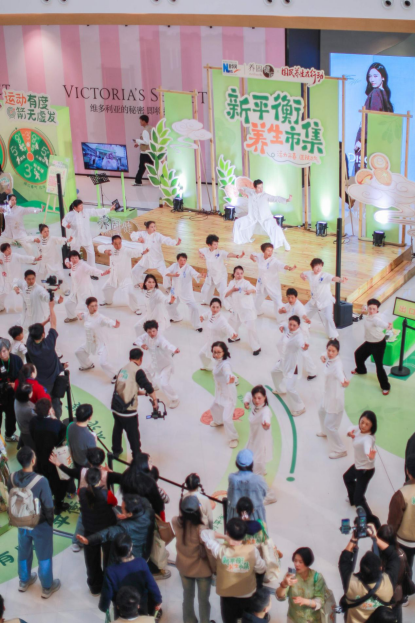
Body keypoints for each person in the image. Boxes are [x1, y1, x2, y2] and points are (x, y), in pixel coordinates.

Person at [7, 446, 61, 598]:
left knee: (23, 550)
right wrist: (49, 523)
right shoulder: (41, 481)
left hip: (21, 521)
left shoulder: (12, 477)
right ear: (32, 461)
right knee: (44, 555)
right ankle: (47, 586)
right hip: (40, 524)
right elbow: (48, 506)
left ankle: (24, 581)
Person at [49, 446, 122, 553]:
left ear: (88, 461)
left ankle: (76, 543)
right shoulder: (108, 474)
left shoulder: (81, 471)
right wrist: (110, 471)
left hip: (86, 505)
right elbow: (123, 479)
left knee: (81, 520)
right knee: (118, 518)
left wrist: (58, 463)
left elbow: (69, 472)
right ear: (102, 460)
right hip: (104, 507)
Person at [201, 517, 267, 623]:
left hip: (227, 594)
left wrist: (224, 537)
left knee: (229, 618)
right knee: (245, 618)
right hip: (247, 593)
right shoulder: (252, 550)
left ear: (227, 532)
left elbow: (204, 534)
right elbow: (261, 568)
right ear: (244, 534)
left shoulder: (220, 550)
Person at [339, 524, 400, 623]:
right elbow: (394, 556)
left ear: (361, 569)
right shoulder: (388, 583)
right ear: (380, 568)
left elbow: (344, 561)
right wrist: (375, 537)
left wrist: (353, 539)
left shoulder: (351, 584)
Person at [76, 493, 155, 568]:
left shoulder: (125, 527)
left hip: (128, 559)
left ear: (130, 513)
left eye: (123, 509)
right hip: (144, 554)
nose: (121, 509)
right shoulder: (149, 511)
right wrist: (127, 516)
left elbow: (107, 533)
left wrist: (88, 540)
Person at [172, 495, 214, 623]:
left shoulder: (176, 522)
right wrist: (215, 568)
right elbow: (210, 552)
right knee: (203, 601)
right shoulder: (202, 529)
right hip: (202, 571)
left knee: (187, 597)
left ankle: (189, 620)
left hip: (184, 567)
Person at [99, 533, 162, 616]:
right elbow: (151, 584)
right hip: (140, 603)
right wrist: (158, 600)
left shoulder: (111, 571)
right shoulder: (141, 563)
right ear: (131, 548)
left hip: (121, 607)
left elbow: (107, 593)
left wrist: (104, 607)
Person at [111, 348, 158, 459]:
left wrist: (145, 394)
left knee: (117, 429)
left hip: (116, 407)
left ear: (129, 358)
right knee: (133, 434)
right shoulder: (137, 371)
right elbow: (149, 387)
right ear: (141, 359)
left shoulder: (123, 369)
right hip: (128, 411)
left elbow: (130, 388)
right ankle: (136, 454)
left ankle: (116, 451)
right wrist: (155, 401)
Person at [78, 467, 118, 595]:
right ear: (100, 479)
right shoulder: (106, 494)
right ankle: (108, 584)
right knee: (109, 557)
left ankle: (95, 586)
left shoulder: (81, 492)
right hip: (107, 530)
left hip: (89, 530)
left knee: (91, 559)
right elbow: (114, 503)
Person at [26, 299, 65, 418]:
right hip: (54, 378)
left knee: (45, 402)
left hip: (41, 382)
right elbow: (54, 325)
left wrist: (45, 321)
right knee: (55, 401)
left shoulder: (29, 345)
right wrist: (51, 308)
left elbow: (34, 331)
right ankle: (56, 419)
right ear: (43, 334)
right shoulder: (49, 343)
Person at [29, 398, 68, 514]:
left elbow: (32, 435)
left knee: (43, 478)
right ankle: (59, 504)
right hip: (53, 456)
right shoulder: (56, 424)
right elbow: (62, 437)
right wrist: (55, 418)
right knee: (57, 481)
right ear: (50, 409)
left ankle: (44, 500)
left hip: (39, 455)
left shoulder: (33, 421)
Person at [354, 62, 393, 173]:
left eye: (375, 76)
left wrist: (361, 140)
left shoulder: (375, 93)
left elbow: (373, 120)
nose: (372, 79)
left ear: (383, 77)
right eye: (370, 76)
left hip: (368, 142)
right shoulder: (384, 95)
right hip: (378, 142)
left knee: (363, 173)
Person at [234, 180, 292, 251]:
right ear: (255, 188)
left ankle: (285, 243)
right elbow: (242, 188)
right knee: (237, 222)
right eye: (259, 188)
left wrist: (287, 200)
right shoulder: (251, 192)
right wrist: (241, 191)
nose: (261, 189)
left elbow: (276, 198)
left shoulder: (265, 196)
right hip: (252, 218)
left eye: (262, 187)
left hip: (266, 219)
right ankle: (240, 240)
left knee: (276, 228)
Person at [343, 410, 379, 528]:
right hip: (358, 466)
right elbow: (351, 427)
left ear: (372, 427)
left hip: (365, 471)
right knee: (347, 477)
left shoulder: (367, 439)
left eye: (367, 424)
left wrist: (370, 456)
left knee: (359, 499)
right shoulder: (359, 429)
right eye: (362, 421)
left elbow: (367, 448)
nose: (363, 425)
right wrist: (349, 433)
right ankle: (353, 499)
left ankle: (373, 521)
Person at [134, 319, 180, 409]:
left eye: (153, 331)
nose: (152, 333)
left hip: (166, 365)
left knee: (164, 384)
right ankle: (153, 385)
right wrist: (142, 344)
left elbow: (167, 344)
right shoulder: (146, 336)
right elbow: (138, 339)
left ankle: (175, 399)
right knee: (145, 371)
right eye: (149, 332)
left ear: (157, 330)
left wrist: (174, 349)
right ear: (146, 332)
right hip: (154, 363)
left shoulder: (160, 339)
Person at [317, 339, 350, 459]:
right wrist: (322, 356)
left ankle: (341, 449)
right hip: (327, 395)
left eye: (333, 351)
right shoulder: (329, 357)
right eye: (329, 350)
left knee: (330, 425)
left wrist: (344, 382)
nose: (330, 353)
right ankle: (325, 432)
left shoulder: (337, 365)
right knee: (321, 412)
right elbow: (324, 354)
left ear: (338, 352)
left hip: (334, 399)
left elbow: (341, 376)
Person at [388, 454, 415, 598]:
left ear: (407, 471)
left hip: (405, 542)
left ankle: (404, 594)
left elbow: (393, 523)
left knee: (404, 567)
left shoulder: (401, 495)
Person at [276, 547, 327, 623]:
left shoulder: (317, 577)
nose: (296, 564)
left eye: (300, 562)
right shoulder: (291, 576)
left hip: (312, 620)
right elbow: (280, 597)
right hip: (294, 619)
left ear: (307, 562)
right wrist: (284, 584)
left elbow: (320, 601)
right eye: (295, 561)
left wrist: (306, 601)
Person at [352, 298, 392, 396]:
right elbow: (365, 309)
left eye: (374, 309)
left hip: (378, 344)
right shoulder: (369, 314)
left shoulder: (376, 319)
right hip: (369, 342)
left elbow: (381, 323)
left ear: (377, 309)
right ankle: (361, 370)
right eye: (370, 308)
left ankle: (385, 387)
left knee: (379, 366)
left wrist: (388, 326)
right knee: (358, 354)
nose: (371, 311)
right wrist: (363, 310)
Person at [300, 258, 347, 340]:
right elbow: (302, 274)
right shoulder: (309, 274)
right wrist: (302, 276)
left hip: (326, 301)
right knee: (303, 312)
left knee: (328, 317)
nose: (319, 268)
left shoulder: (325, 275)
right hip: (314, 301)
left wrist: (341, 280)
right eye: (316, 266)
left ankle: (333, 335)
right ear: (312, 267)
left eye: (320, 266)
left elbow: (333, 278)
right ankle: (306, 324)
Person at [75, 296, 120, 380]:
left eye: (96, 305)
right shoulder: (86, 315)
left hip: (101, 343)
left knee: (103, 363)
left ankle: (116, 374)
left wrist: (114, 325)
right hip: (90, 343)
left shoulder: (100, 317)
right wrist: (80, 316)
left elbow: (107, 321)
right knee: (78, 352)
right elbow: (80, 313)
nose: (94, 308)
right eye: (92, 306)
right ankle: (87, 365)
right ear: (88, 307)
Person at [98, 234, 145, 314]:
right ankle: (108, 301)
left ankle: (136, 308)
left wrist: (142, 252)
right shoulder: (110, 248)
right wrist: (105, 251)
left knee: (130, 293)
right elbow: (100, 247)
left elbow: (136, 253)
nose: (118, 245)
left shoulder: (126, 250)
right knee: (105, 289)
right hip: (114, 277)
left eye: (119, 243)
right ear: (112, 243)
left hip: (125, 278)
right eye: (116, 244)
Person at [272, 315, 308, 417]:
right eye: (290, 324)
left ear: (298, 326)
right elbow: (283, 324)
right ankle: (280, 389)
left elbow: (301, 344)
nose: (291, 327)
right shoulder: (288, 328)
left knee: (290, 388)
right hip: (283, 360)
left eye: (294, 325)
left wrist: (304, 347)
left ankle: (300, 407)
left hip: (293, 365)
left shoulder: (299, 337)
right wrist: (281, 327)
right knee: (274, 372)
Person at [62, 199, 115, 268]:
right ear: (75, 207)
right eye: (80, 205)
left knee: (91, 254)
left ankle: (92, 269)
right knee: (74, 255)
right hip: (76, 238)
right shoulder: (70, 215)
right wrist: (66, 225)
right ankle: (74, 269)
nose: (82, 207)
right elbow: (63, 221)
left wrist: (109, 209)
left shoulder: (86, 212)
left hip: (86, 237)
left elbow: (96, 212)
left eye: (82, 205)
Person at [250, 243, 296, 318]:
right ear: (263, 251)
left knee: (277, 300)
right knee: (258, 298)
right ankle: (257, 311)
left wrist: (290, 268)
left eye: (271, 250)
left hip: (272, 284)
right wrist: (252, 257)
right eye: (268, 250)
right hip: (262, 283)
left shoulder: (274, 261)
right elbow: (253, 254)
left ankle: (283, 317)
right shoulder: (260, 256)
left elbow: (282, 265)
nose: (270, 252)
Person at [278, 287, 316, 379]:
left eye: (292, 298)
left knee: (303, 353)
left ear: (296, 297)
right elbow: (282, 312)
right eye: (289, 297)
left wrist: (306, 318)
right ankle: (288, 364)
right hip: (291, 331)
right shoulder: (288, 305)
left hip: (301, 333)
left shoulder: (299, 307)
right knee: (282, 345)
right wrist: (281, 313)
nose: (290, 299)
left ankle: (312, 372)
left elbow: (303, 314)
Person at [63, 250, 110, 322]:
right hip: (75, 290)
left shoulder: (83, 265)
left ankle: (93, 320)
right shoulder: (72, 263)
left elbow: (92, 270)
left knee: (90, 306)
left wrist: (102, 273)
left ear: (79, 258)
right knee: (68, 303)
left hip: (85, 290)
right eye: (72, 258)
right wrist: (67, 263)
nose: (74, 260)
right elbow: (66, 259)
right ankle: (71, 317)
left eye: (76, 258)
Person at [375, 525, 409, 623]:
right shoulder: (401, 554)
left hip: (382, 596)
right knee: (397, 617)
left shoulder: (377, 554)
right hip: (397, 595)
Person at [130, 220, 180, 287]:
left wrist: (175, 242)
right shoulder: (143, 234)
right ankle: (139, 284)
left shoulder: (157, 235)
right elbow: (133, 234)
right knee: (134, 271)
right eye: (152, 227)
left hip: (158, 260)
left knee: (165, 273)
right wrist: (138, 238)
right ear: (147, 228)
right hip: (146, 260)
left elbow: (166, 239)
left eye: (154, 226)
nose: (154, 228)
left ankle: (168, 287)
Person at [208, 341, 238, 449]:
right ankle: (218, 421)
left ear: (224, 352)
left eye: (218, 352)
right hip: (219, 393)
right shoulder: (217, 361)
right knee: (214, 407)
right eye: (214, 352)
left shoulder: (225, 364)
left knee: (227, 419)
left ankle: (233, 438)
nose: (216, 354)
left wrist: (231, 378)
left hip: (228, 395)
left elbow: (227, 372)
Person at [225, 266, 261, 356]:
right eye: (237, 273)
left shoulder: (246, 282)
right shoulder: (232, 283)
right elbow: (226, 294)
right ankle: (234, 337)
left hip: (247, 309)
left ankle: (256, 347)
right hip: (236, 309)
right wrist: (232, 289)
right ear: (234, 274)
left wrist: (249, 291)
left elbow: (254, 289)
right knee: (232, 324)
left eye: (241, 273)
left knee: (250, 328)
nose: (240, 275)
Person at [199, 234, 243, 307]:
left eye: (217, 244)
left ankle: (229, 306)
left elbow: (228, 254)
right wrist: (200, 255)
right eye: (214, 244)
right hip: (210, 275)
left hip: (221, 275)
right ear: (209, 245)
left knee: (223, 292)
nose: (216, 246)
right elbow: (199, 251)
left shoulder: (220, 252)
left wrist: (237, 256)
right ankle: (207, 301)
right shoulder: (205, 250)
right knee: (205, 290)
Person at [165, 252, 204, 330]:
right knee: (169, 305)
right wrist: (173, 275)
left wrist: (201, 275)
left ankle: (197, 325)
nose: (182, 262)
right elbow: (166, 272)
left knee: (194, 308)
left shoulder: (188, 268)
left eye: (184, 260)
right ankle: (176, 317)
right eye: (181, 260)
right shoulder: (174, 266)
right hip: (175, 291)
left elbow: (196, 274)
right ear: (177, 260)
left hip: (186, 292)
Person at [227, 449, 269, 522]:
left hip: (236, 515)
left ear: (237, 464)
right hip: (255, 515)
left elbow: (230, 495)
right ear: (252, 464)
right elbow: (264, 494)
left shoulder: (232, 478)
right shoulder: (259, 480)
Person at [121, 453, 165, 519]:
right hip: (145, 514)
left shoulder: (126, 475)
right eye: (150, 462)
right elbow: (158, 504)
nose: (152, 464)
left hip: (130, 509)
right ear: (143, 464)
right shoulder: (149, 482)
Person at [199, 298, 238, 371]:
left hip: (218, 344)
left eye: (217, 307)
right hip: (210, 341)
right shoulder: (210, 313)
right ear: (210, 306)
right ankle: (208, 366)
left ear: (220, 307)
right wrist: (202, 317)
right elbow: (206, 314)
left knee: (219, 361)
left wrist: (233, 333)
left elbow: (227, 327)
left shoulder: (222, 319)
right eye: (213, 307)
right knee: (201, 354)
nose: (215, 309)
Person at [0, 243, 39, 313]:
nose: (9, 251)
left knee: (23, 293)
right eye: (7, 250)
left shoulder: (15, 256)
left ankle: (31, 307)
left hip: (16, 280)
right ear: (3, 252)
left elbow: (24, 258)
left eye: (9, 249)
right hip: (6, 281)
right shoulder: (1, 257)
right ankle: (1, 307)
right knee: (2, 294)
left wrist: (34, 258)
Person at [243, 385, 272, 476]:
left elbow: (266, 417)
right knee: (251, 456)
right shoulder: (254, 404)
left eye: (259, 398)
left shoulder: (265, 410)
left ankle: (258, 475)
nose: (257, 400)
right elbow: (248, 394)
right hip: (253, 437)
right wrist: (246, 402)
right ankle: (261, 471)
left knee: (257, 460)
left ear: (265, 397)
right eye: (255, 398)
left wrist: (266, 423)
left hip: (260, 440)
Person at [31, 223, 70, 290]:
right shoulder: (38, 239)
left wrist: (68, 240)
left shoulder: (52, 239)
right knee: (39, 276)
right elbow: (30, 240)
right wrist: (34, 240)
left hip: (53, 262)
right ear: (41, 232)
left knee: (61, 277)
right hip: (43, 263)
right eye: (45, 231)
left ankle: (66, 289)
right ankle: (39, 288)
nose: (47, 233)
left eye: (48, 231)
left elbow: (60, 239)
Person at [0, 337, 23, 442]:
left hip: (12, 395)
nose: (2, 355)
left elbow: (22, 376)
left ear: (9, 349)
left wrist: (16, 384)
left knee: (11, 417)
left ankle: (9, 435)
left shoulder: (17, 360)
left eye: (4, 351)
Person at [67, 404, 97, 469]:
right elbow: (93, 456)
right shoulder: (90, 438)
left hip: (74, 458)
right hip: (84, 463)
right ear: (89, 417)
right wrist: (95, 441)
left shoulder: (71, 426)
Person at [133, 114, 154, 186]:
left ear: (144, 121)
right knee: (153, 167)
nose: (140, 122)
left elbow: (146, 142)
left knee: (141, 167)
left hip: (145, 152)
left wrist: (137, 140)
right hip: (151, 151)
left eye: (141, 121)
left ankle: (138, 181)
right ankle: (159, 180)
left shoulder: (145, 130)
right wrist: (138, 143)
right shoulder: (151, 128)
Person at [14, 383, 35, 449]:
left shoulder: (16, 400)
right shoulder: (28, 410)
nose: (32, 392)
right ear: (27, 395)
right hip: (29, 434)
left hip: (23, 428)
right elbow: (37, 421)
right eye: (31, 391)